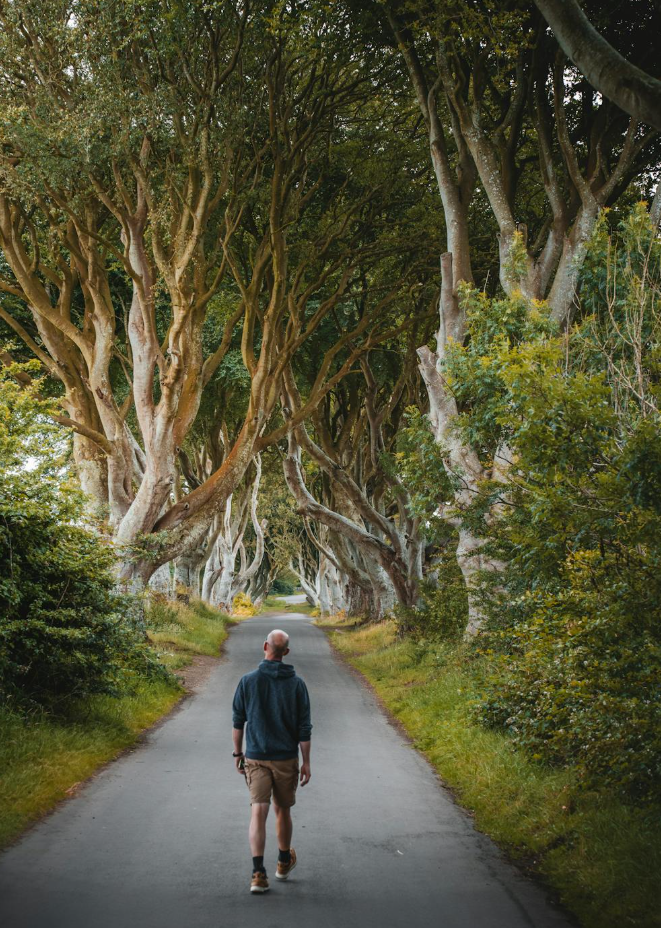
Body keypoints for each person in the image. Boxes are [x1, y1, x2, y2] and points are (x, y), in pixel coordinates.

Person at [232, 628, 312, 894]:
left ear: (264, 646)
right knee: (283, 811)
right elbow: (304, 728)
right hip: (286, 758)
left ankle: (258, 874)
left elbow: (238, 721)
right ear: (286, 653)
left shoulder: (247, 681)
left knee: (258, 810)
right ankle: (282, 861)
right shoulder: (297, 684)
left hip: (255, 756)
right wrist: (306, 762)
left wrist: (237, 753)